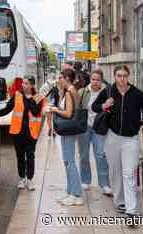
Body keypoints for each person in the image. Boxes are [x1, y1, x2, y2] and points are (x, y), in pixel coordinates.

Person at [92, 65, 143, 218]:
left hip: (131, 139)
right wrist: (104, 105)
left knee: (129, 173)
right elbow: (94, 106)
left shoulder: (136, 93)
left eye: (125, 75)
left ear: (128, 76)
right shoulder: (108, 91)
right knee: (115, 171)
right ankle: (120, 202)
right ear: (114, 76)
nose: (122, 79)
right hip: (112, 137)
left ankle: (131, 209)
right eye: (119, 75)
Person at [0, 77, 43, 191]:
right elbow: (8, 108)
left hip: (31, 132)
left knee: (30, 156)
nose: (23, 85)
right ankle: (22, 178)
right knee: (20, 155)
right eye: (23, 83)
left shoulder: (38, 97)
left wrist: (30, 100)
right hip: (17, 132)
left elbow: (36, 111)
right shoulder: (17, 95)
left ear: (31, 85)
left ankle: (30, 180)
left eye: (26, 83)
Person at [49, 69, 83, 206]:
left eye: (60, 77)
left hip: (68, 130)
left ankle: (76, 194)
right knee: (67, 161)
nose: (58, 80)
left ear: (67, 78)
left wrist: (55, 110)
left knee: (70, 161)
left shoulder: (70, 92)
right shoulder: (69, 91)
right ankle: (70, 191)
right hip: (68, 130)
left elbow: (68, 113)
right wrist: (61, 91)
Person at [77, 69, 112, 195]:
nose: (95, 82)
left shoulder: (107, 92)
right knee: (84, 155)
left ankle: (104, 184)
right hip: (84, 128)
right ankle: (85, 180)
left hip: (99, 128)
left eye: (97, 79)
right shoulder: (83, 92)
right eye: (93, 79)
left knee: (100, 155)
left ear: (101, 80)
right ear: (90, 80)